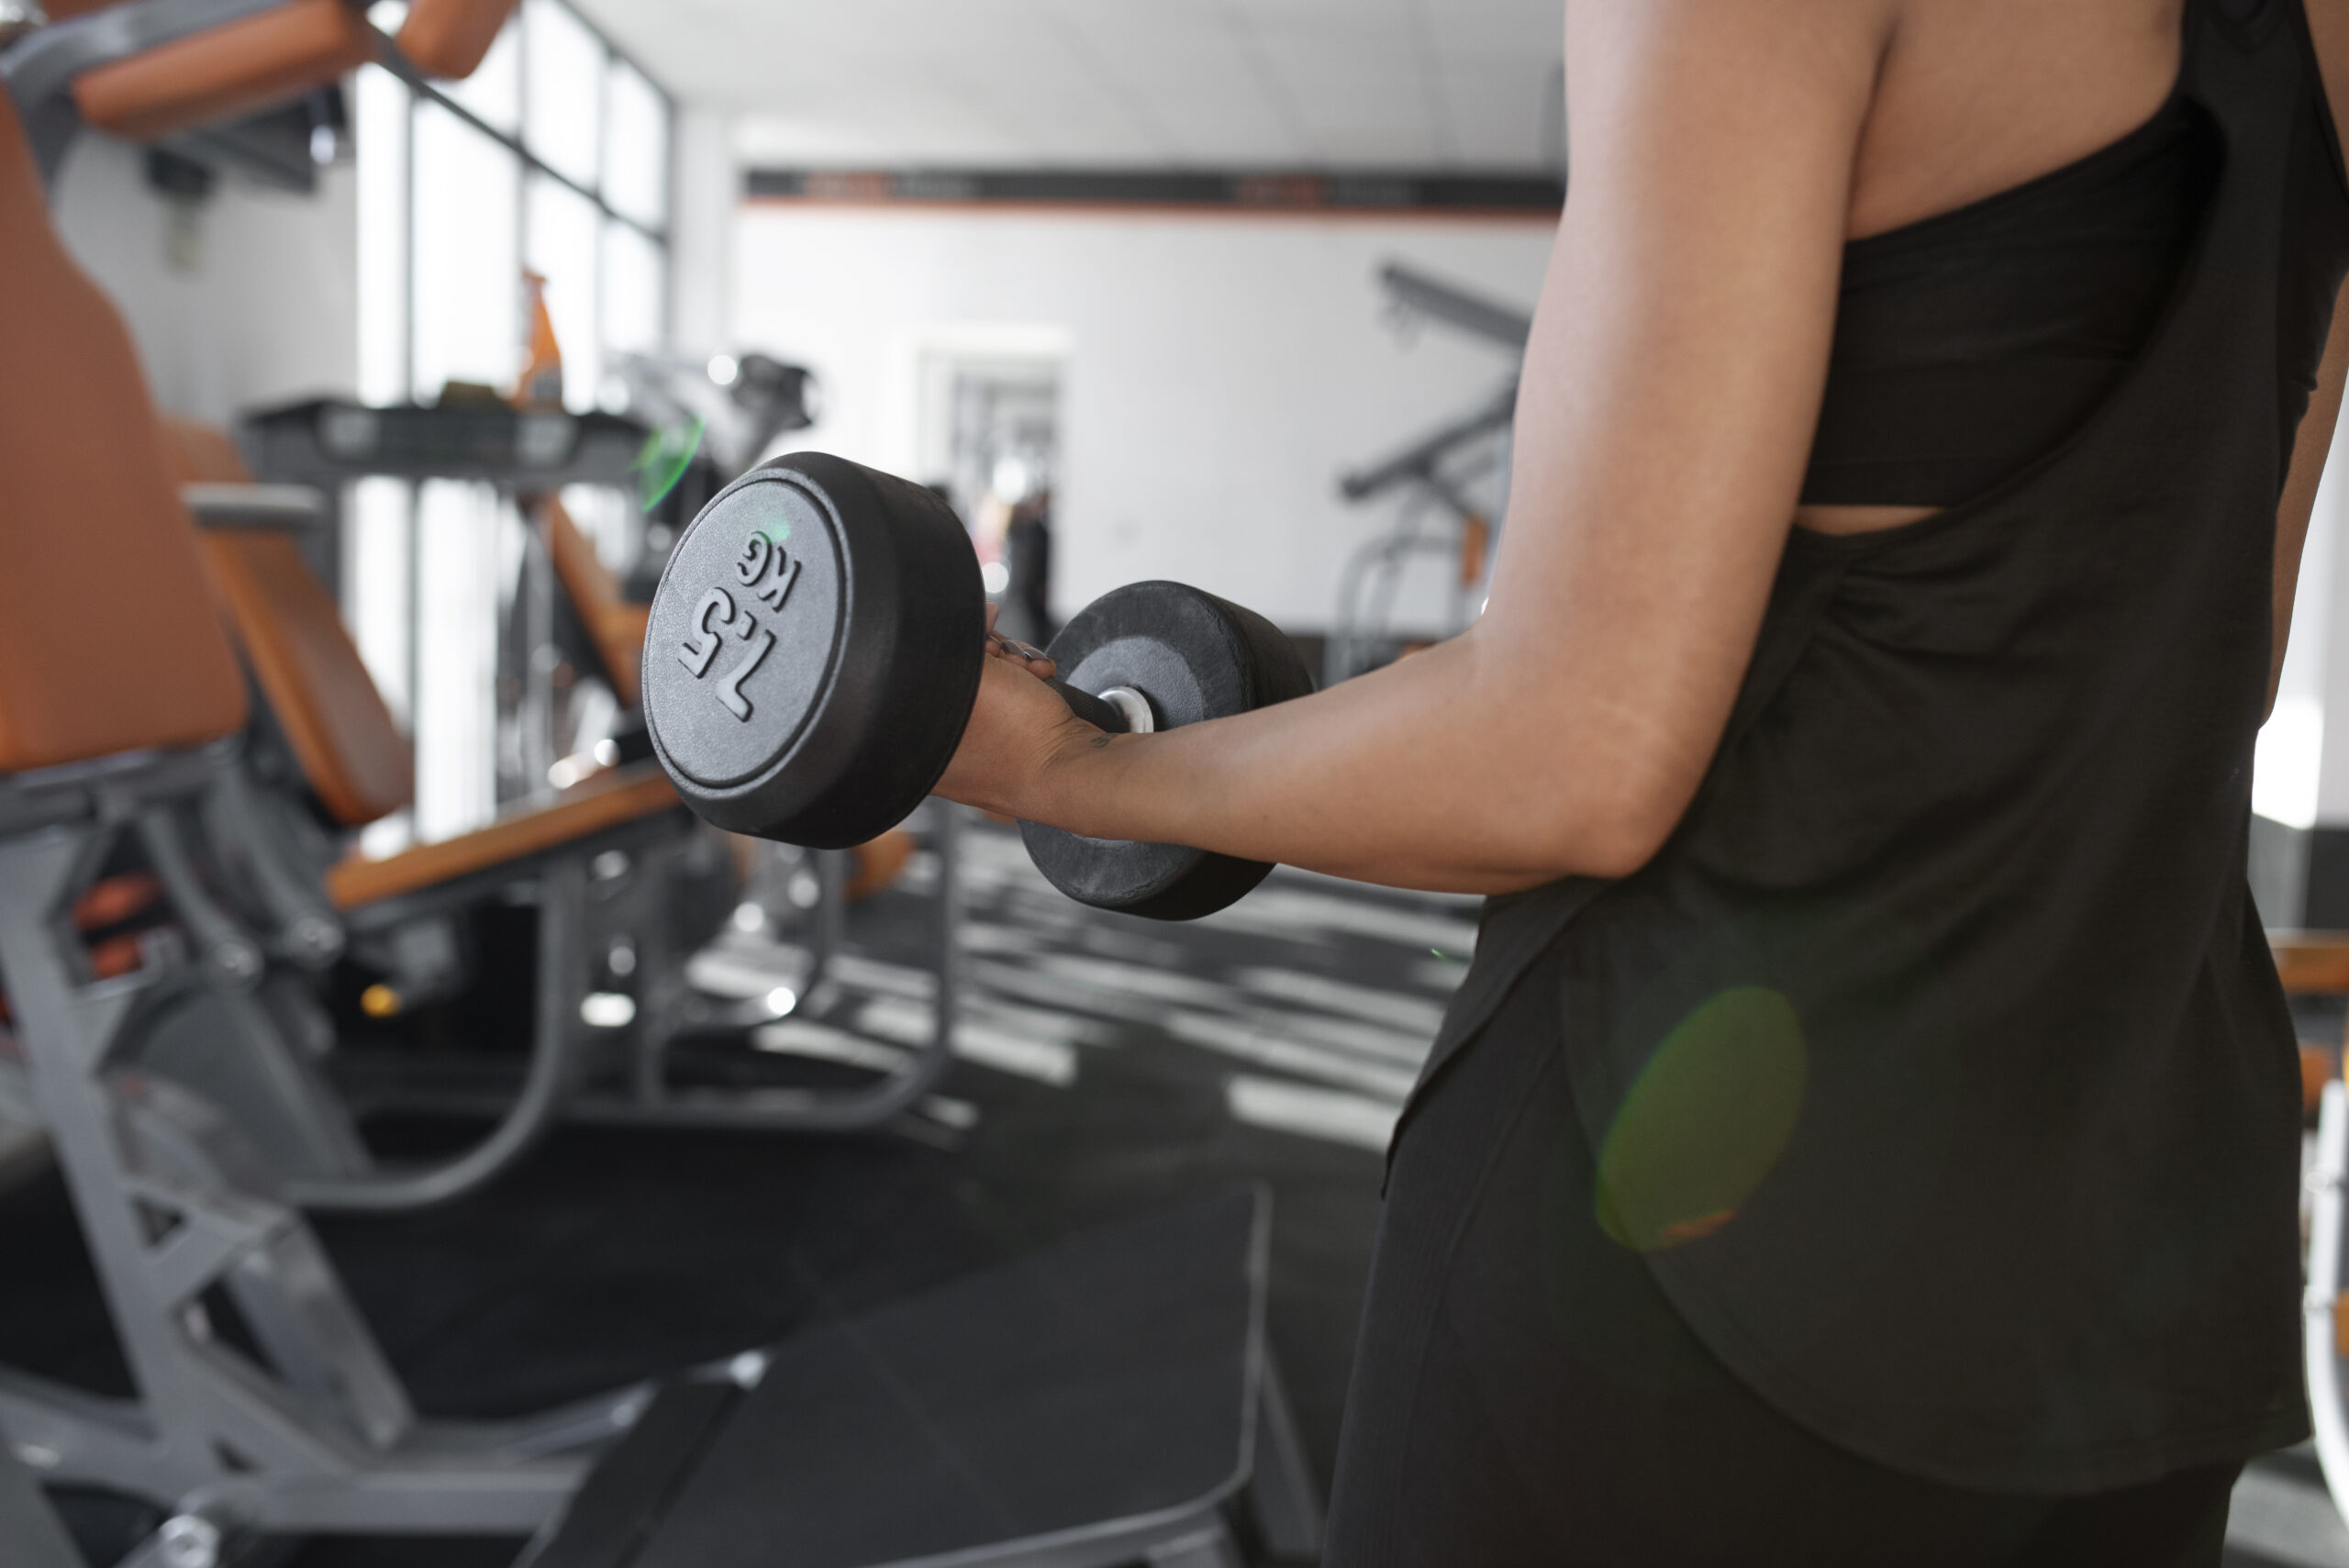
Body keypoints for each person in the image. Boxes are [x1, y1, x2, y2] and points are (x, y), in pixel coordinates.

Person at [944, 0, 2349, 1559]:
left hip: (1678, 1246)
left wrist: (1070, 769)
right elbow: (2214, 644)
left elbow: (1575, 753)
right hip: (2127, 1258)